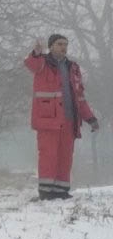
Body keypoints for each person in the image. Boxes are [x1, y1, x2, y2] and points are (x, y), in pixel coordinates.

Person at [25, 34, 99, 199]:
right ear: (51, 46)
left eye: (65, 44)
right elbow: (31, 64)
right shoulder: (42, 63)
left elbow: (80, 98)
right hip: (48, 120)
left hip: (69, 120)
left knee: (65, 156)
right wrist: (36, 52)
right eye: (59, 44)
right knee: (48, 155)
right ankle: (46, 192)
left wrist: (90, 118)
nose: (63, 47)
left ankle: (61, 191)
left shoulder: (73, 68)